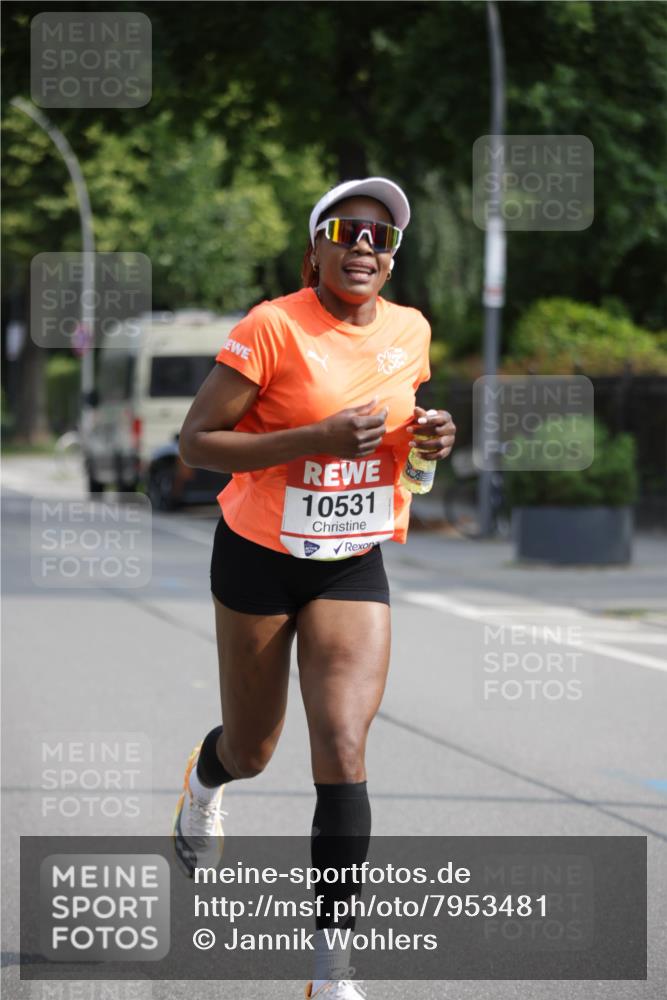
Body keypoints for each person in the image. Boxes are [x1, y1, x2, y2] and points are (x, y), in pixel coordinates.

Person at [171, 177, 456, 999]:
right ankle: (205, 780)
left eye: (381, 237)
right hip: (259, 552)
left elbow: (412, 463)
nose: (364, 244)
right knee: (255, 749)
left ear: (392, 261)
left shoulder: (411, 331)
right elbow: (197, 443)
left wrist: (433, 439)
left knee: (342, 747)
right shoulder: (272, 326)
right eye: (347, 230)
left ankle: (332, 974)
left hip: (350, 558)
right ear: (317, 248)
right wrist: (315, 437)